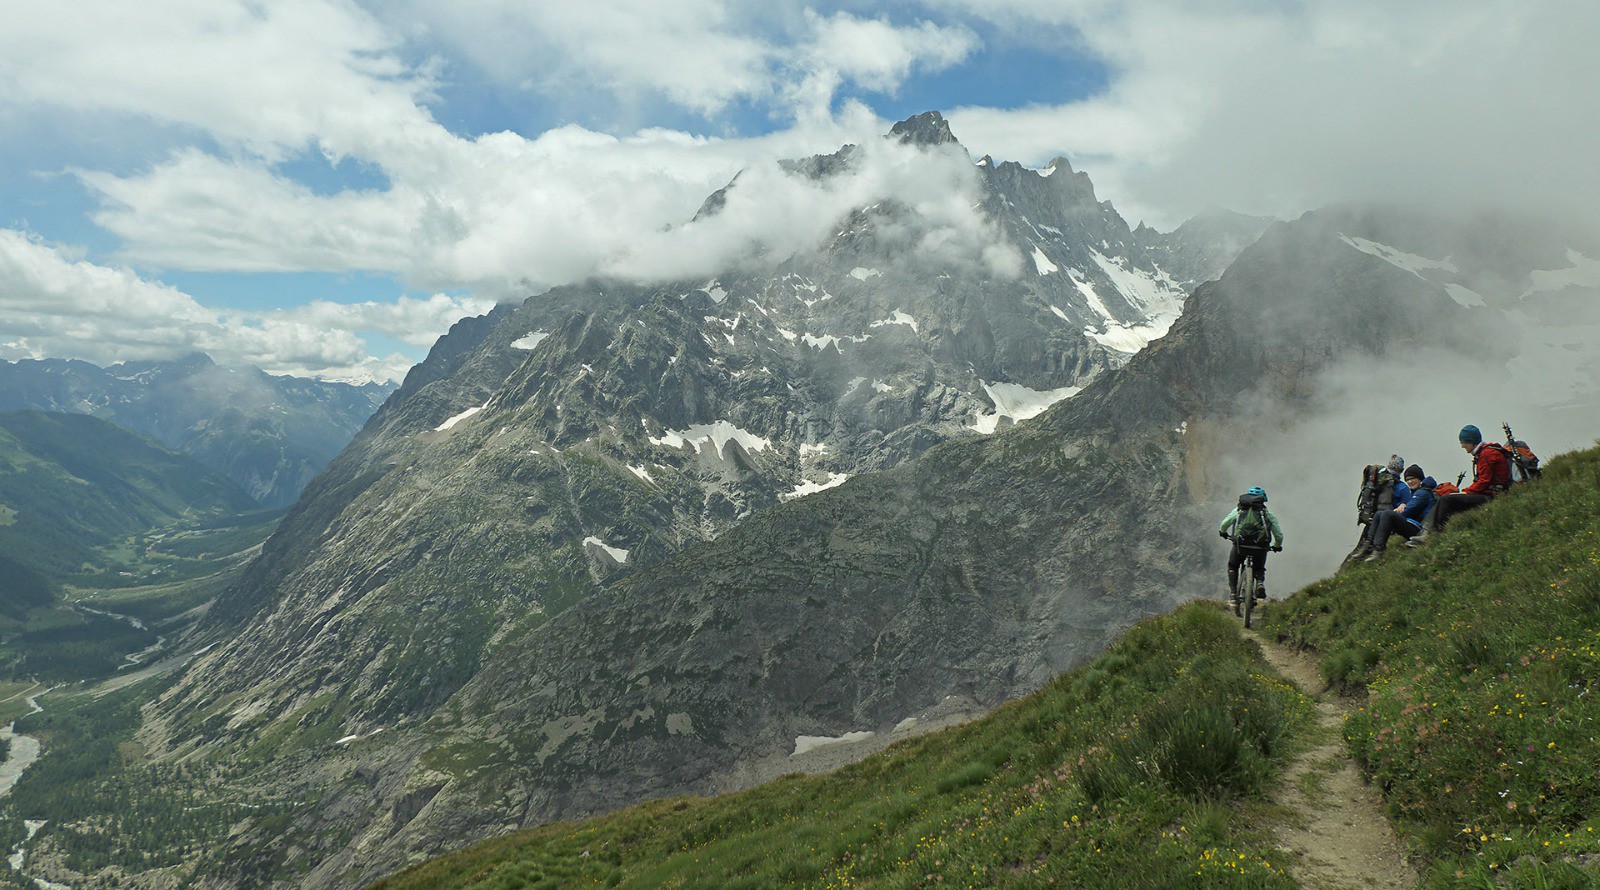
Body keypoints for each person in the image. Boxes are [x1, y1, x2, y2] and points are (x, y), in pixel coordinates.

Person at [1425, 424, 1511, 535]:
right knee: (1449, 500)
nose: (1462, 446)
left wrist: (1467, 491)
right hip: (1492, 493)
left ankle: (1431, 532)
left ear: (1471, 442)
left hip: (1492, 496)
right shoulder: (1487, 452)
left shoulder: (1486, 454)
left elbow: (1484, 481)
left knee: (1446, 500)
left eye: (1463, 443)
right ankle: (1432, 531)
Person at [1219, 485, 1285, 602]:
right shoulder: (1267, 514)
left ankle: (1233, 595)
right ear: (1263, 500)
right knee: (1259, 567)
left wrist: (1223, 533)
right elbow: (1278, 535)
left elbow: (1224, 524)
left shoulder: (1239, 510)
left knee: (1233, 566)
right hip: (1260, 547)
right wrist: (1276, 546)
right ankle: (1259, 583)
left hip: (1241, 546)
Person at [1367, 464, 1434, 559]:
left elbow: (1408, 511)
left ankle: (1378, 549)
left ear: (1420, 478)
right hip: (1414, 524)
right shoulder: (1417, 492)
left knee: (1387, 514)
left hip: (1420, 529)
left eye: (1413, 478)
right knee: (1378, 514)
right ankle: (1368, 544)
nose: (1410, 482)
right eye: (1407, 479)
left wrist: (1397, 512)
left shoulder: (1423, 493)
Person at [1353, 455, 1411, 561]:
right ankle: (1375, 548)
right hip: (1389, 519)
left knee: (1380, 515)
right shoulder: (1403, 488)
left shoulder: (1380, 483)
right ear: (1401, 470)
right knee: (1382, 515)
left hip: (1377, 516)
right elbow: (1408, 506)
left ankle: (1367, 546)